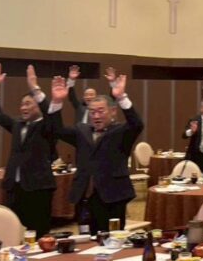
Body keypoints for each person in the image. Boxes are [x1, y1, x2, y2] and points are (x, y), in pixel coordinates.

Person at [51, 68, 143, 233]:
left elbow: (137, 125)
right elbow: (56, 130)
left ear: (113, 111)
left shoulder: (121, 132)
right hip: (84, 195)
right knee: (85, 238)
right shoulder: (82, 130)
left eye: (101, 111)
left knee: (113, 238)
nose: (96, 116)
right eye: (92, 112)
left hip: (113, 195)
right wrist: (57, 102)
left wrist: (121, 97)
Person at [0, 63, 59, 238]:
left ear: (38, 107)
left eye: (28, 104)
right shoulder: (17, 124)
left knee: (38, 233)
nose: (23, 108)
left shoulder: (47, 126)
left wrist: (35, 89)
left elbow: (51, 114)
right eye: (22, 104)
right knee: (14, 231)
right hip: (15, 187)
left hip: (38, 187)